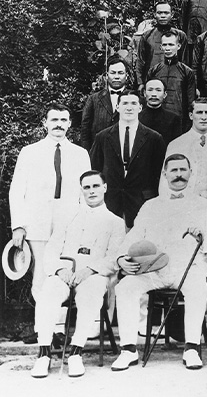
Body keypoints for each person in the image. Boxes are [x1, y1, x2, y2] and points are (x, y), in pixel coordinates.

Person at [111, 154, 207, 371]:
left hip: (188, 267)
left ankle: (191, 348)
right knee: (125, 287)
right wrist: (121, 257)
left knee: (198, 287)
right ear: (165, 174)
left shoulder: (204, 205)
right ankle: (129, 349)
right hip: (154, 269)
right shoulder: (151, 206)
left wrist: (202, 236)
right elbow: (134, 234)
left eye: (183, 170)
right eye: (174, 170)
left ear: (190, 172)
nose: (178, 175)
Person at [29, 170, 125, 378]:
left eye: (96, 186)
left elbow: (114, 258)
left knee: (90, 295)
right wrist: (60, 270)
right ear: (81, 190)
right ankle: (44, 354)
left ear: (105, 188)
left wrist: (89, 270)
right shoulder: (67, 217)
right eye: (87, 187)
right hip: (64, 273)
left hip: (93, 275)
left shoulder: (115, 222)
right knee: (48, 293)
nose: (91, 191)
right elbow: (51, 251)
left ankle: (76, 352)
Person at [10, 103, 92, 304]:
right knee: (40, 271)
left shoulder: (80, 154)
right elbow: (17, 191)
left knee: (64, 270)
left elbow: (86, 191)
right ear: (45, 123)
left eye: (63, 120)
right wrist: (18, 226)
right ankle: (45, 328)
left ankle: (59, 326)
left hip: (69, 222)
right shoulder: (29, 152)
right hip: (37, 222)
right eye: (54, 120)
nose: (59, 124)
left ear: (70, 124)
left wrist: (85, 222)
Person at [90, 90, 166, 227]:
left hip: (142, 202)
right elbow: (95, 169)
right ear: (118, 107)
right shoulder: (102, 137)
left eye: (133, 103)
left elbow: (159, 173)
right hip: (110, 202)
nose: (129, 107)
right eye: (125, 103)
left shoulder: (154, 138)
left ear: (140, 107)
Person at [165, 98, 207, 210]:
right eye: (199, 112)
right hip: (185, 206)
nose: (204, 117)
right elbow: (166, 178)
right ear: (191, 115)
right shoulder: (177, 144)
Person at [147, 32, 197, 129]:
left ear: (178, 46)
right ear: (161, 47)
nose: (168, 48)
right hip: (156, 120)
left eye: (171, 44)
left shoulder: (187, 72)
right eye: (165, 45)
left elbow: (191, 102)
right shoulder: (154, 70)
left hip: (179, 121)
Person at [136, 1, 191, 85]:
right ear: (155, 15)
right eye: (159, 13)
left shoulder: (180, 35)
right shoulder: (147, 36)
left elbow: (185, 61)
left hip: (175, 80)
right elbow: (140, 61)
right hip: (152, 81)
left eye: (166, 13)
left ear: (171, 15)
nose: (163, 16)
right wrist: (140, 83)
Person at [81, 55, 128, 149]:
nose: (117, 77)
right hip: (100, 155)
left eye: (120, 73)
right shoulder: (94, 99)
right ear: (107, 76)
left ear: (126, 76)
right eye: (113, 73)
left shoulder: (134, 99)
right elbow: (85, 130)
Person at [139, 78, 183, 145]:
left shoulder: (173, 119)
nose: (154, 94)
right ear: (144, 93)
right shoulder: (137, 117)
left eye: (158, 90)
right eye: (150, 90)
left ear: (165, 94)